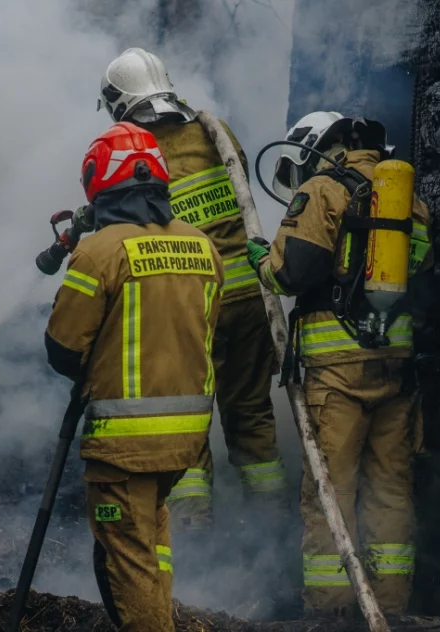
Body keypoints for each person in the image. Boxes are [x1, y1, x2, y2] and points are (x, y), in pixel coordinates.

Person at [246, 111, 433, 617]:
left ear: (315, 149)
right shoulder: (407, 194)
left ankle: (330, 611)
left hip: (338, 374)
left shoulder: (324, 190)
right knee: (391, 490)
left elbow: (291, 273)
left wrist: (260, 258)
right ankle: (390, 607)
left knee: (330, 491)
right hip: (396, 367)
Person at [95, 47, 285, 534]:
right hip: (251, 300)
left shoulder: (135, 152)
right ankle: (271, 528)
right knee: (252, 417)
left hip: (194, 302)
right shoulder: (215, 131)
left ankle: (194, 534)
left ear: (119, 101)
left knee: (188, 418)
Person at [45, 122, 223, 631]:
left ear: (99, 181)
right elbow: (201, 332)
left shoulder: (98, 252)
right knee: (151, 544)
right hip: (184, 440)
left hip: (123, 448)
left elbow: (62, 349)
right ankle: (160, 615)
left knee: (124, 559)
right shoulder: (203, 247)